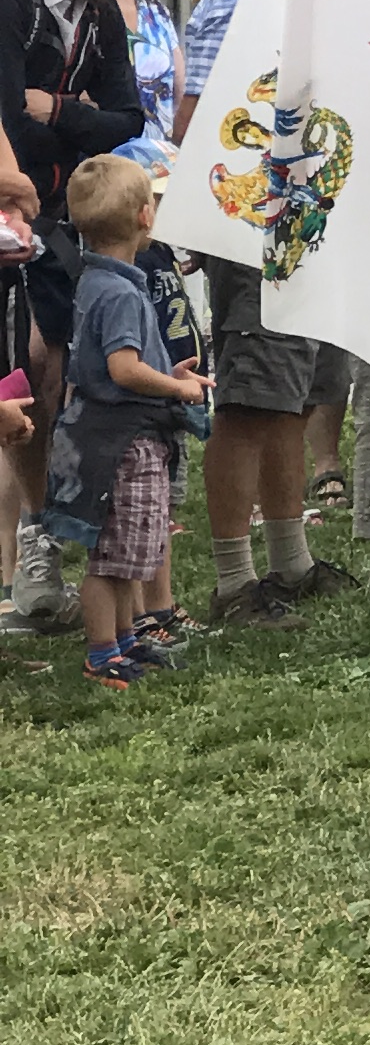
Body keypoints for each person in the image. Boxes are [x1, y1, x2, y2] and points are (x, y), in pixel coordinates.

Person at [182, 0, 344, 627]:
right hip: (253, 227)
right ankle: (232, 579)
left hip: (296, 225)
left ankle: (291, 560)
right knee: (248, 403)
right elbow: (193, 126)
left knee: (287, 398)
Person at [0, 0, 156, 630]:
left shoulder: (98, 14)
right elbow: (3, 112)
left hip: (59, 217)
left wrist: (53, 108)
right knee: (21, 379)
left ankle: (60, 534)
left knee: (56, 371)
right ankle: (31, 538)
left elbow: (126, 114)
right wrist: (46, 122)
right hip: (10, 208)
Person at [43, 156, 196, 685]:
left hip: (114, 436)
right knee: (112, 557)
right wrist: (176, 386)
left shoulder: (96, 283)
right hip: (122, 444)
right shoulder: (122, 292)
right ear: (144, 217)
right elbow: (123, 369)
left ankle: (127, 639)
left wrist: (168, 370)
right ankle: (102, 651)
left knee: (134, 548)